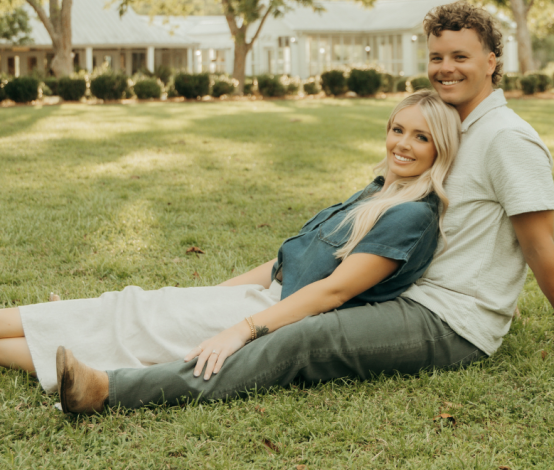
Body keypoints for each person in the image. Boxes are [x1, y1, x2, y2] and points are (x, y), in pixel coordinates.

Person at [41, 0, 554, 415]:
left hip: (451, 319)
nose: (445, 67)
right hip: (399, 290)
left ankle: (112, 391)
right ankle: (83, 341)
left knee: (301, 341)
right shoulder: (452, 129)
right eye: (437, 55)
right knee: (285, 314)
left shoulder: (508, 139)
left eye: (461, 56)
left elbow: (540, 246)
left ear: (494, 59)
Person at [0, 90, 463, 409]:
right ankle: (56, 328)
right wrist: (203, 297)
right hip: (258, 300)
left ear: (440, 147)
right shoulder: (379, 192)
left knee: (124, 320)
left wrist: (238, 330)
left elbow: (333, 293)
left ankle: (58, 331)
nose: (403, 144)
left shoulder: (412, 215)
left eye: (420, 137)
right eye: (398, 129)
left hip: (276, 316)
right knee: (130, 310)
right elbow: (284, 263)